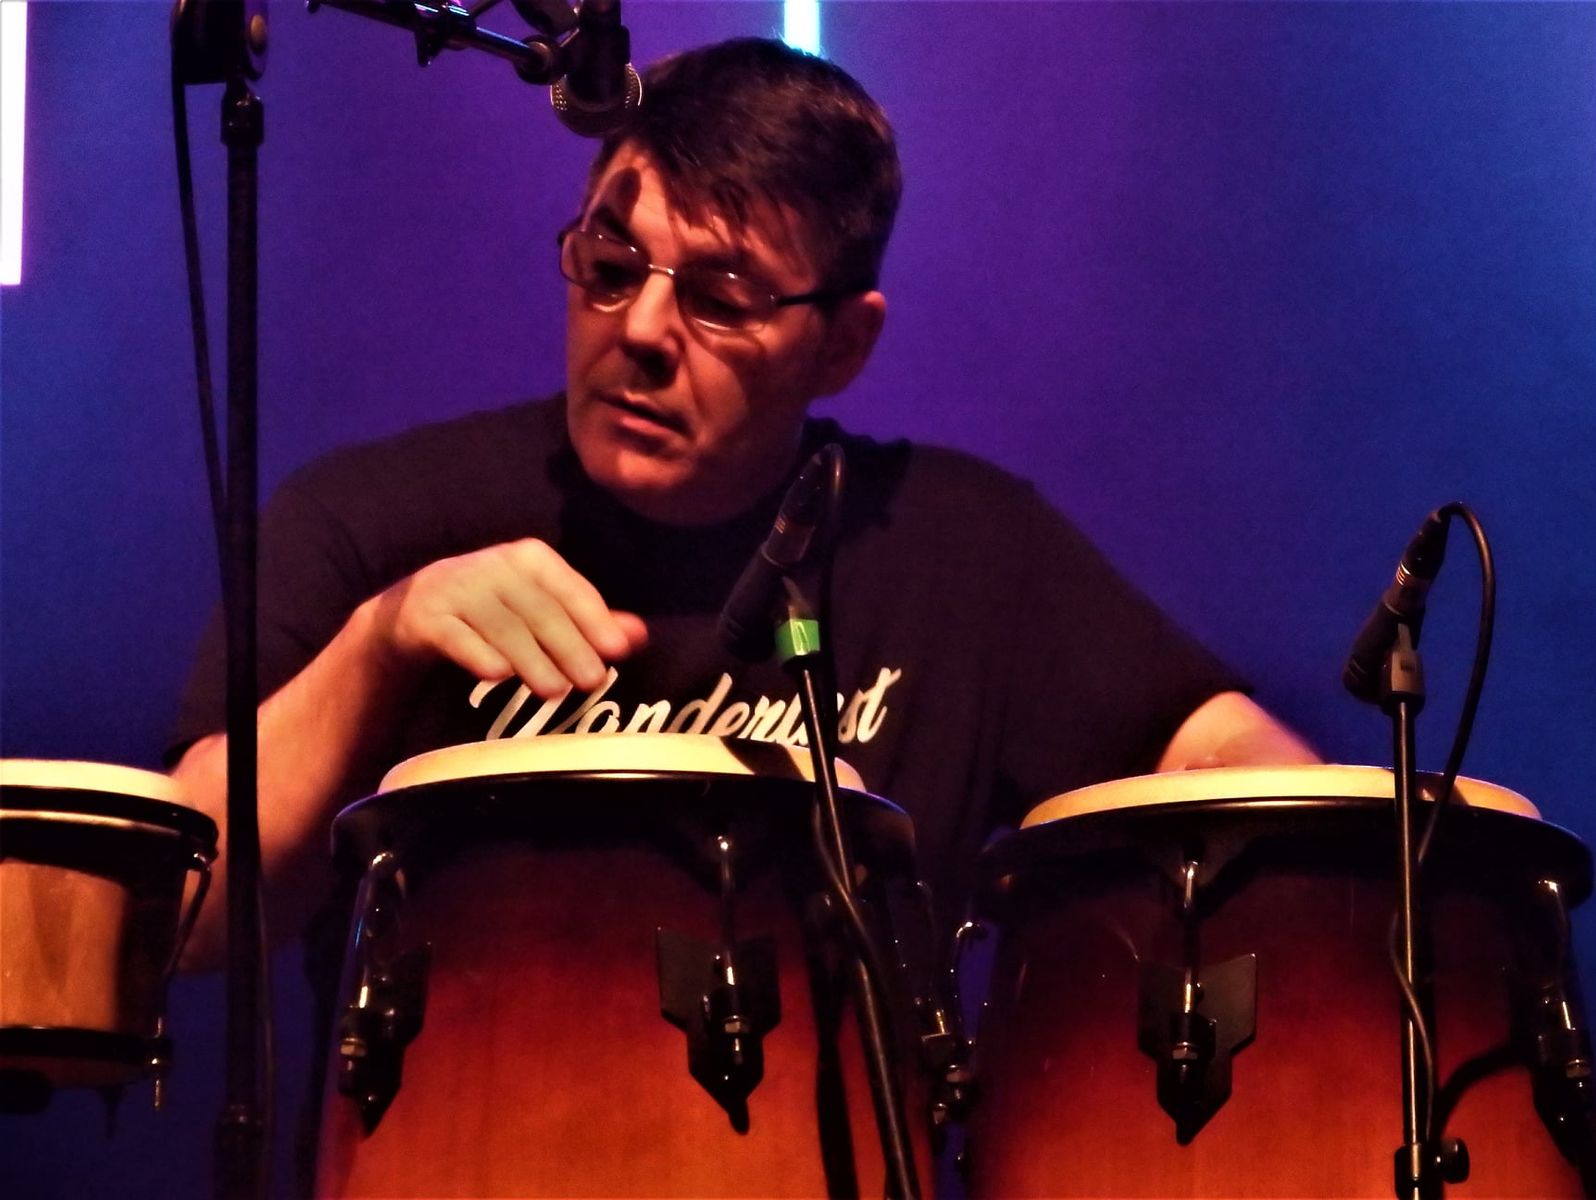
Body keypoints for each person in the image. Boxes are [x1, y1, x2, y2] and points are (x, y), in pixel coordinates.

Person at [167, 32, 1315, 1176]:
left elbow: (1238, 772)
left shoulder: (965, 549)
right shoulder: (376, 522)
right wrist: (378, 647)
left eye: (720, 299)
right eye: (610, 268)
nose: (640, 331)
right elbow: (187, 914)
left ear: (843, 344)